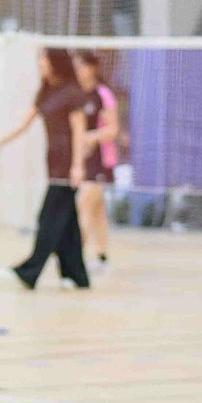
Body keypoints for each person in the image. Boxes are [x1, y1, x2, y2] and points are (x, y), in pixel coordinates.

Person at [0, 46, 91, 290]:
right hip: (53, 163)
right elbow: (23, 124)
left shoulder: (72, 93)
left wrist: (78, 166)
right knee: (67, 223)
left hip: (69, 168)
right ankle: (76, 276)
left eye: (44, 62)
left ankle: (29, 271)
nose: (41, 66)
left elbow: (80, 132)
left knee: (49, 218)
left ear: (55, 63)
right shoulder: (45, 92)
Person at [74, 50, 125, 266]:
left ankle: (75, 260)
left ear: (92, 68)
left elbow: (113, 130)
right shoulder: (78, 94)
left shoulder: (102, 94)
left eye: (81, 66)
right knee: (96, 211)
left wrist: (89, 137)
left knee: (83, 207)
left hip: (101, 160)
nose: (77, 71)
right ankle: (102, 256)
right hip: (85, 159)